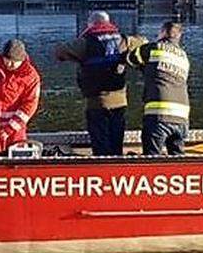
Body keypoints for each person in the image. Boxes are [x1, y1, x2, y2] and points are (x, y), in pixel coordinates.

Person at [54, 11, 145, 156]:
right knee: (116, 140)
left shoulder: (85, 43)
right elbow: (144, 44)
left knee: (100, 143)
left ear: (91, 25)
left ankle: (102, 167)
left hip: (96, 101)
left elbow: (60, 51)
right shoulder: (124, 40)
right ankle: (116, 165)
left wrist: (80, 58)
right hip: (120, 100)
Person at [125, 21, 190, 156]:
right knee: (177, 158)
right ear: (178, 37)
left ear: (163, 33)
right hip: (182, 117)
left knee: (152, 159)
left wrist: (141, 44)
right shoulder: (184, 57)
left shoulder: (154, 47)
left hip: (159, 115)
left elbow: (131, 59)